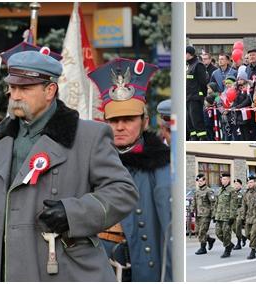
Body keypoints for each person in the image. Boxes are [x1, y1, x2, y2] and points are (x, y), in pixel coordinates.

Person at [0, 49, 138, 281]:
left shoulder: (88, 136)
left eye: (25, 88)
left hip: (60, 266)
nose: (16, 95)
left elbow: (124, 192)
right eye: (12, 88)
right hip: (2, 269)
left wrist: (73, 212)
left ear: (50, 90)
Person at [96, 58, 171, 281]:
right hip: (99, 266)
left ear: (145, 121)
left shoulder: (161, 165)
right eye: (114, 120)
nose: (120, 127)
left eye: (128, 119)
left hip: (144, 265)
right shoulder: (91, 162)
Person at [186, 46, 209, 140]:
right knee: (190, 124)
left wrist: (201, 95)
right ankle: (193, 139)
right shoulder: (189, 66)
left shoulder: (198, 65)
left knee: (197, 123)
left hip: (195, 99)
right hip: (189, 98)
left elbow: (203, 82)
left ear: (189, 54)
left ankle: (203, 140)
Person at [214, 172, 237, 258]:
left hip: (227, 217)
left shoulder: (232, 190)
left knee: (226, 233)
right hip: (219, 216)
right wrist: (214, 214)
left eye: (224, 179)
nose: (222, 181)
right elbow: (216, 203)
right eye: (221, 179)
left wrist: (232, 217)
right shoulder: (219, 190)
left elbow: (233, 205)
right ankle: (230, 244)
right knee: (218, 233)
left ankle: (227, 249)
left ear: (228, 180)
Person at [193, 174, 216, 255]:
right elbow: (194, 202)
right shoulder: (197, 191)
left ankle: (203, 248)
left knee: (202, 232)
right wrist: (192, 211)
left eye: (201, 181)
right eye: (198, 181)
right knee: (198, 231)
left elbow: (213, 203)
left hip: (206, 214)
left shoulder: (209, 191)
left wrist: (213, 215)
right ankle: (210, 240)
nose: (199, 183)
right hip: (198, 214)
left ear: (204, 181)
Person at [231, 179, 246, 250]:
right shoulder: (233, 193)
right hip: (233, 213)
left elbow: (244, 205)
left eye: (237, 184)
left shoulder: (243, 193)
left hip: (240, 212)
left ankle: (239, 243)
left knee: (237, 228)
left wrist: (243, 215)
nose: (235, 185)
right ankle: (243, 237)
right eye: (235, 184)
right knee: (234, 228)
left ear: (240, 185)